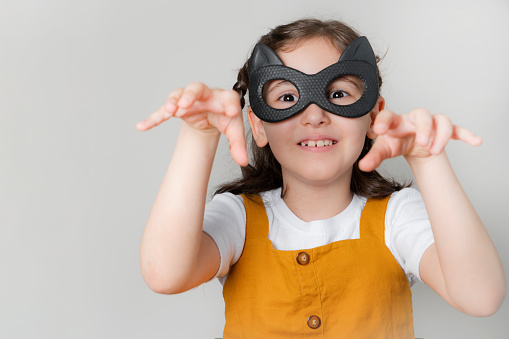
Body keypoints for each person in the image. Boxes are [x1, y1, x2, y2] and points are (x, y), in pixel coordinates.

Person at [136, 18, 505, 338]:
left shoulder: (396, 217)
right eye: (286, 98)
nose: (314, 116)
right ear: (258, 126)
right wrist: (199, 136)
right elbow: (165, 274)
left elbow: (481, 297)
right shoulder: (238, 218)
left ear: (373, 116)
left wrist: (428, 160)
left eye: (339, 94)